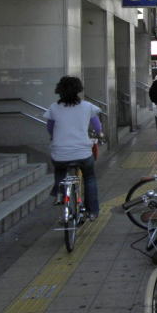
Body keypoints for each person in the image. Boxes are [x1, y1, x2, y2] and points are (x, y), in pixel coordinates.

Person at [45, 76, 103, 220]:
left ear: (59, 90)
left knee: (60, 169)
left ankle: (59, 192)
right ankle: (92, 211)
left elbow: (50, 128)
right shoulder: (87, 106)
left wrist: (55, 137)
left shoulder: (54, 107)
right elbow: (97, 126)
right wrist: (99, 134)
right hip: (83, 153)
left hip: (60, 153)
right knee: (89, 177)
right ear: (78, 90)